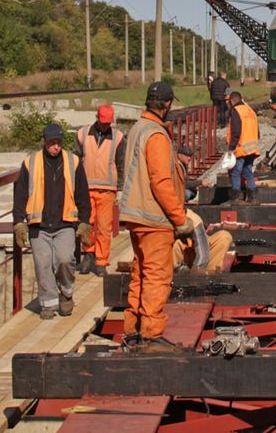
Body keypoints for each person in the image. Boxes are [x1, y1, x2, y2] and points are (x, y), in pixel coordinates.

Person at [118, 81, 196, 350]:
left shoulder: (137, 129)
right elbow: (161, 182)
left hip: (136, 216)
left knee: (140, 274)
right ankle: (151, 334)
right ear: (167, 104)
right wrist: (180, 219)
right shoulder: (156, 135)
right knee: (157, 277)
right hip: (154, 218)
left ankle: (133, 330)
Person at [12, 124, 92, 320]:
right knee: (43, 263)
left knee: (64, 259)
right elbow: (20, 194)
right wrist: (19, 222)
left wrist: (84, 222)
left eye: (58, 143)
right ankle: (48, 303)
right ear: (44, 142)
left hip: (65, 223)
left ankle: (66, 293)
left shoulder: (73, 162)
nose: (56, 147)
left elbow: (83, 194)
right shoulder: (30, 163)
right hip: (39, 225)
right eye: (52, 143)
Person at [72, 104, 127, 277]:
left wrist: (120, 189)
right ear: (97, 118)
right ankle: (88, 255)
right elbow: (75, 160)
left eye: (108, 123)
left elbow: (121, 164)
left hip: (107, 189)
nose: (105, 125)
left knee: (104, 227)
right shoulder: (82, 134)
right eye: (103, 122)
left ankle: (101, 261)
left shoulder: (118, 137)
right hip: (85, 187)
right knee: (87, 224)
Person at [226, 91, 261, 201]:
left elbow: (236, 131)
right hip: (252, 148)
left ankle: (236, 196)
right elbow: (258, 132)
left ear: (232, 100)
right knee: (248, 172)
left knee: (236, 173)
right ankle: (252, 196)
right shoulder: (251, 111)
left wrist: (231, 148)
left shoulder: (237, 110)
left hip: (241, 148)